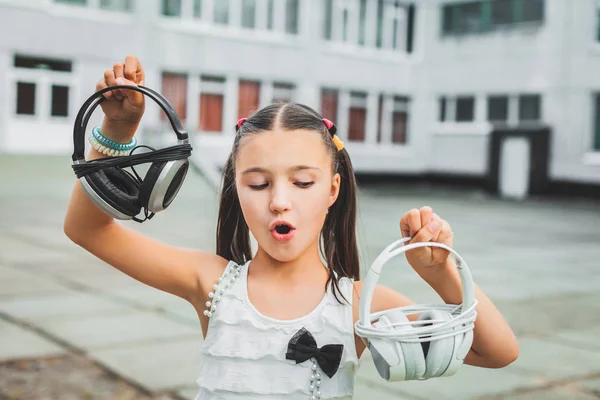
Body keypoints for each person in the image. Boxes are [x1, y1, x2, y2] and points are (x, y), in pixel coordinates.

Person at [64, 56, 519, 400]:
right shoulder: (212, 283)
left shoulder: (359, 303)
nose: (280, 200)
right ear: (235, 191)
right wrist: (116, 131)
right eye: (258, 183)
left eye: (302, 182)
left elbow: (496, 352)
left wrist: (441, 273)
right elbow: (88, 230)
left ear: (333, 189)